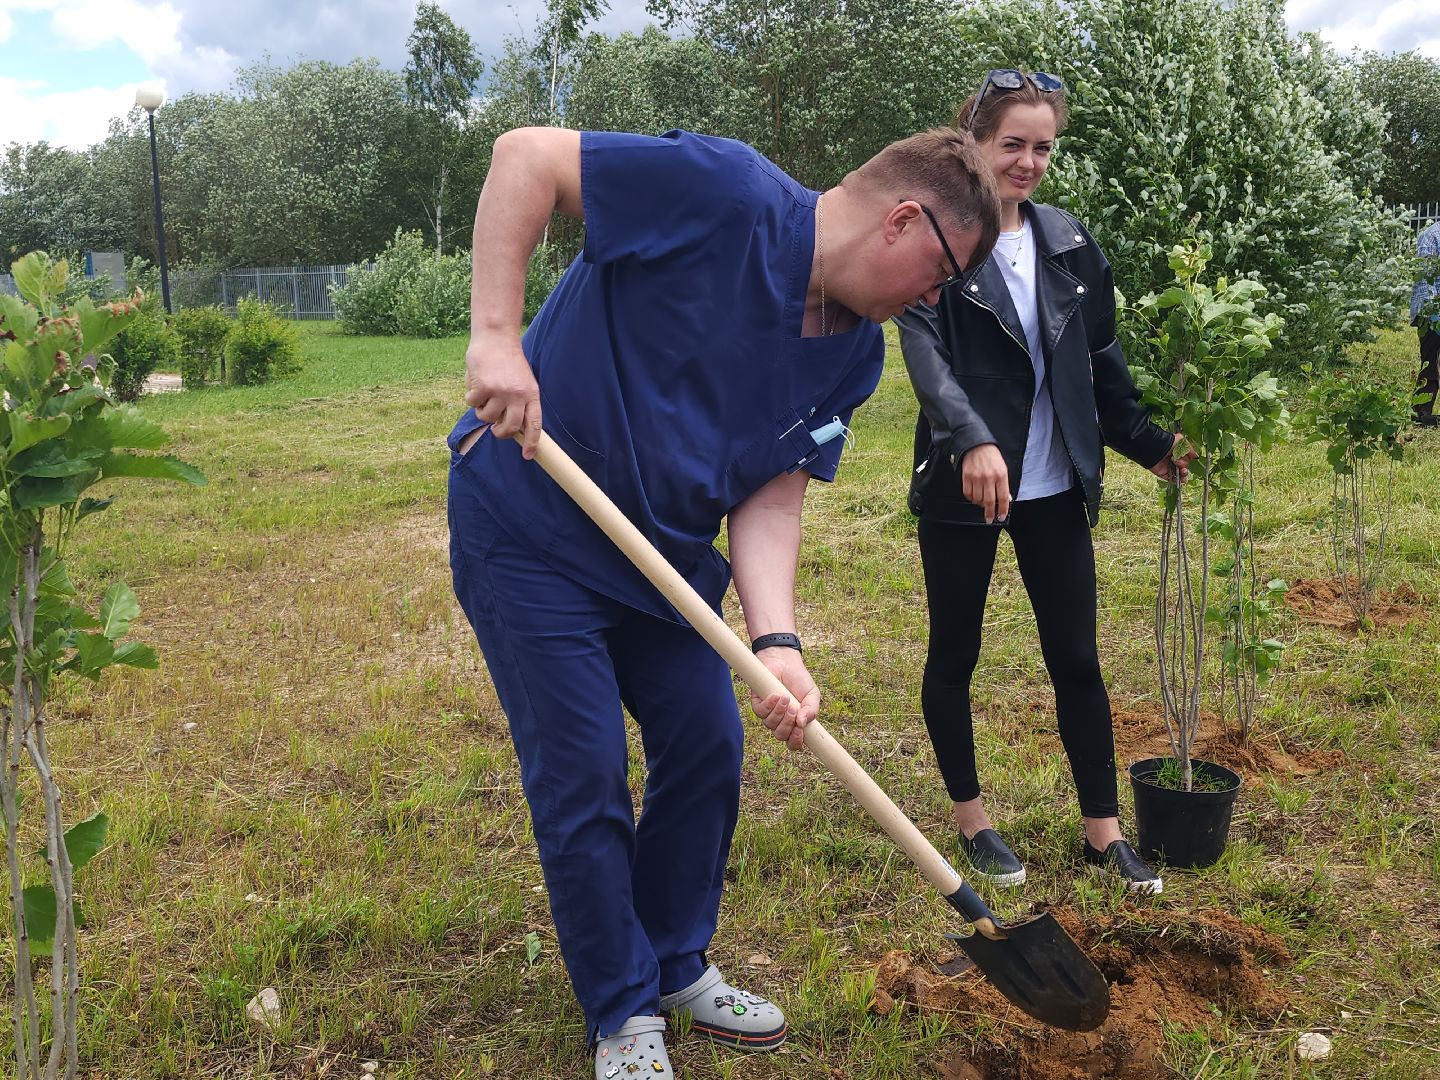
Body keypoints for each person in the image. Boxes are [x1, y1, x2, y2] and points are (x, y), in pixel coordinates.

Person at [448, 124, 999, 1078]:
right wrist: (497, 338)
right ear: (903, 220)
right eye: (943, 276)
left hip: (660, 561)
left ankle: (671, 964)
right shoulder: (721, 194)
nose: (934, 301)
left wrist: (776, 637)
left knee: (707, 744)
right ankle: (622, 1011)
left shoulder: (853, 358)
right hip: (531, 522)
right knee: (581, 774)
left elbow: (770, 492)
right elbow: (524, 157)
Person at [897, 69, 1194, 896]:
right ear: (976, 143)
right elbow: (923, 351)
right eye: (1012, 144)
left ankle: (1103, 834)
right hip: (967, 487)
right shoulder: (941, 234)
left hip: (1055, 486)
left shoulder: (1067, 241)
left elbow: (1101, 361)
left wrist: (1148, 443)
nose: (1027, 162)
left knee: (1077, 657)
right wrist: (971, 441)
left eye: (1042, 147)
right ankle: (972, 820)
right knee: (956, 650)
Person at [1411, 217, 1440, 427]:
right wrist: (1435, 314)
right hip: (1429, 311)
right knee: (1429, 361)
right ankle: (1422, 413)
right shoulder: (1431, 236)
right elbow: (1424, 280)